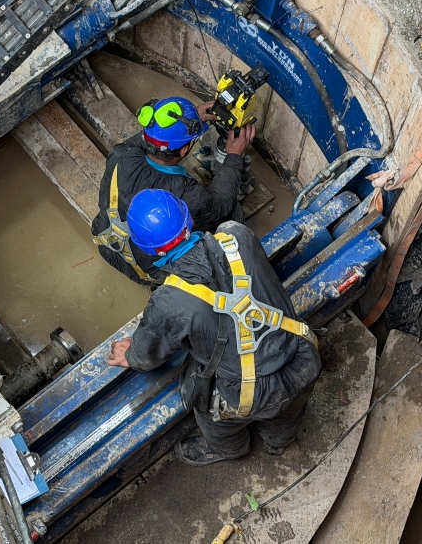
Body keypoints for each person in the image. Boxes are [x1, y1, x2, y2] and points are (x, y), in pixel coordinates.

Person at [106, 189, 320, 466]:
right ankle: (278, 443)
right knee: (291, 409)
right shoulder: (236, 235)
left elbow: (147, 356)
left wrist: (132, 355)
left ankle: (229, 450)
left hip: (255, 392)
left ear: (148, 250)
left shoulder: (168, 301)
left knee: (211, 416)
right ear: (188, 220)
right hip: (304, 357)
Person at [91, 96, 256, 286]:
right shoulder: (187, 194)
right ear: (184, 150)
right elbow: (220, 206)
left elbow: (144, 138)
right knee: (233, 212)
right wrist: (234, 156)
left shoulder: (121, 154)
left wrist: (192, 120)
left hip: (107, 245)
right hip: (148, 273)